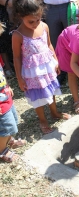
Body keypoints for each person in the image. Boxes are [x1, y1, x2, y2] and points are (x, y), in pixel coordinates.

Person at [12, 0, 71, 134]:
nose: (35, 23)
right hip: (32, 72)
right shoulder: (18, 35)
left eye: (38, 19)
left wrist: (56, 62)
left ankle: (54, 112)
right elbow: (16, 57)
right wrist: (19, 78)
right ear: (21, 17)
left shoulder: (44, 26)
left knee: (51, 89)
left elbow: (49, 45)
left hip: (47, 66)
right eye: (30, 21)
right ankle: (42, 119)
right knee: (37, 95)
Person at [43, 0, 79, 85]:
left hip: (70, 6)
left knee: (75, 41)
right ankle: (60, 73)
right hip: (49, 8)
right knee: (54, 42)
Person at [0, 23, 26, 163]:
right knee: (5, 126)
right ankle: (2, 150)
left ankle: (9, 140)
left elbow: (1, 73)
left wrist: (7, 85)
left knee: (12, 119)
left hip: (5, 95)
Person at [0, 0, 15, 78]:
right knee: (3, 36)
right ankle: (7, 67)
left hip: (16, 9)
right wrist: (8, 2)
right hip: (2, 11)